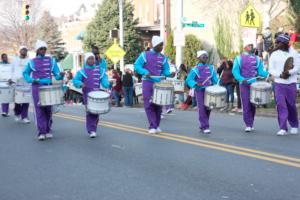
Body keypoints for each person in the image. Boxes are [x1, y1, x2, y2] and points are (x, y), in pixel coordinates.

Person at [23, 40, 65, 140]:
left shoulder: (51, 60)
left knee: (48, 109)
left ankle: (48, 129)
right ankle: (41, 132)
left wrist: (61, 75)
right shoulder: (31, 62)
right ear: (37, 50)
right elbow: (25, 73)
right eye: (41, 49)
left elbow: (57, 76)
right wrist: (32, 80)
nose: (43, 50)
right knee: (39, 110)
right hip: (37, 88)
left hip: (48, 87)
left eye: (44, 49)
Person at [134, 35, 172, 134]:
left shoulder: (163, 57)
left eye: (162, 45)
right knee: (149, 104)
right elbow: (137, 66)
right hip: (147, 82)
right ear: (155, 45)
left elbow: (166, 70)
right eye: (160, 45)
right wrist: (144, 71)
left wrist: (170, 73)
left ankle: (156, 125)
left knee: (158, 104)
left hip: (159, 83)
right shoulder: (144, 55)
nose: (162, 47)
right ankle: (152, 126)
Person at [232, 39, 269, 132]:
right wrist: (241, 79)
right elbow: (235, 71)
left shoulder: (257, 58)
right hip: (244, 84)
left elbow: (260, 71)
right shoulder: (238, 58)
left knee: (253, 104)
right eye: (249, 45)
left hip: (254, 84)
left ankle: (251, 122)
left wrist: (268, 74)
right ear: (245, 47)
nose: (251, 47)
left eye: (252, 45)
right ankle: (248, 124)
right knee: (246, 104)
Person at [269, 34, 300, 136]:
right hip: (279, 83)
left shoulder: (294, 53)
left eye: (279, 42)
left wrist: (289, 73)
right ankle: (283, 127)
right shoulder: (274, 54)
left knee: (291, 105)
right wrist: (280, 75)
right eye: (276, 42)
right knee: (281, 105)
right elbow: (271, 69)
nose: (276, 44)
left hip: (291, 83)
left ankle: (294, 125)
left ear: (285, 43)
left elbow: (297, 67)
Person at [73, 53, 110, 138]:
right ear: (86, 60)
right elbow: (75, 80)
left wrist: (107, 84)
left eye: (92, 59)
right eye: (89, 59)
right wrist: (80, 83)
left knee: (96, 113)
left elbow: (104, 79)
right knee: (90, 112)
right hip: (87, 95)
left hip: (97, 94)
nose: (91, 60)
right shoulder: (82, 71)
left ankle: (93, 128)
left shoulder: (99, 70)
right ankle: (91, 130)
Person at [186, 50, 219, 134]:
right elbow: (189, 80)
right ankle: (205, 126)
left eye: (206, 56)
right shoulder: (195, 69)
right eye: (203, 56)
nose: (205, 58)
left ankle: (203, 124)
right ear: (198, 58)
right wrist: (196, 83)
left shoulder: (211, 68)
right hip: (200, 91)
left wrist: (217, 83)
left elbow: (215, 79)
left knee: (209, 108)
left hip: (210, 90)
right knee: (202, 108)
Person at [11, 46, 30, 123]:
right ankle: (17, 113)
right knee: (18, 100)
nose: (24, 51)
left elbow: (31, 70)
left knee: (26, 100)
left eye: (26, 50)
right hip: (17, 81)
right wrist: (11, 79)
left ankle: (24, 116)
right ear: (20, 51)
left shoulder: (29, 60)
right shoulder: (15, 60)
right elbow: (11, 70)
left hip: (26, 82)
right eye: (23, 50)